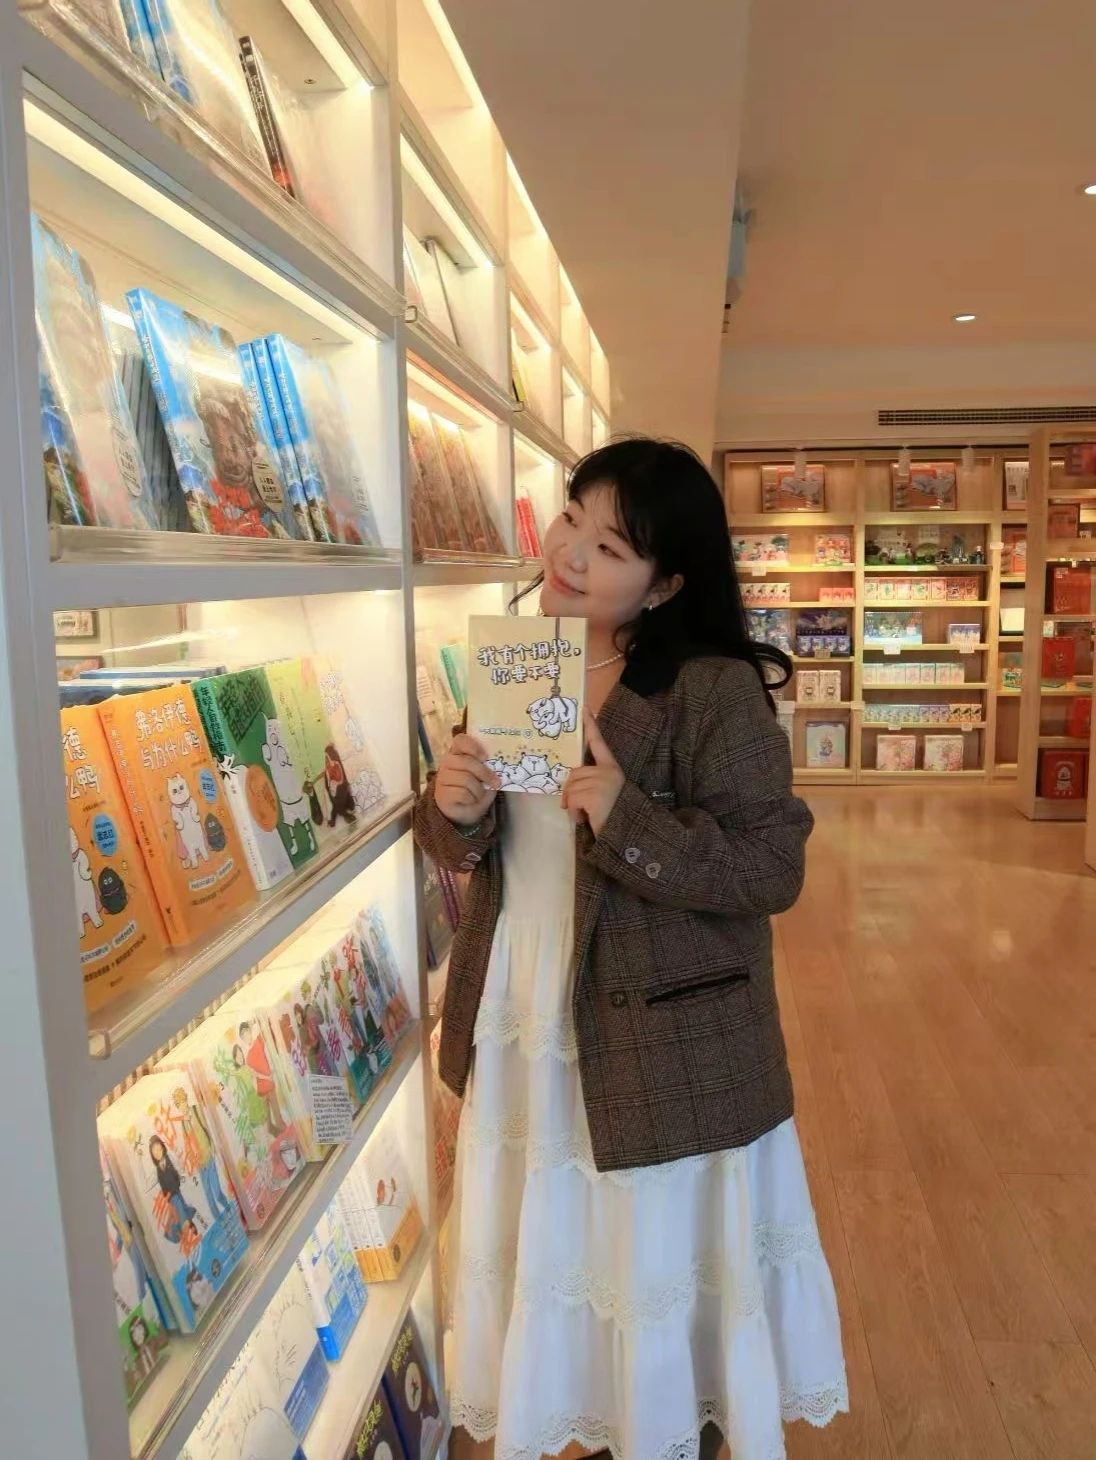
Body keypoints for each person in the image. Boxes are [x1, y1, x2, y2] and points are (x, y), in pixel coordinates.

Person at [414, 439, 847, 1460]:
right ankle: (600, 1422)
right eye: (573, 518)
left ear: (665, 584)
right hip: (526, 1010)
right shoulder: (523, 658)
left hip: (661, 1036)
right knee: (565, 1258)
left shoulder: (709, 689)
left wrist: (628, 818)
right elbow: (486, 850)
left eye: (610, 547)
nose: (570, 553)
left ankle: (670, 1432)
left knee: (656, 1266)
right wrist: (455, 812)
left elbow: (769, 867)